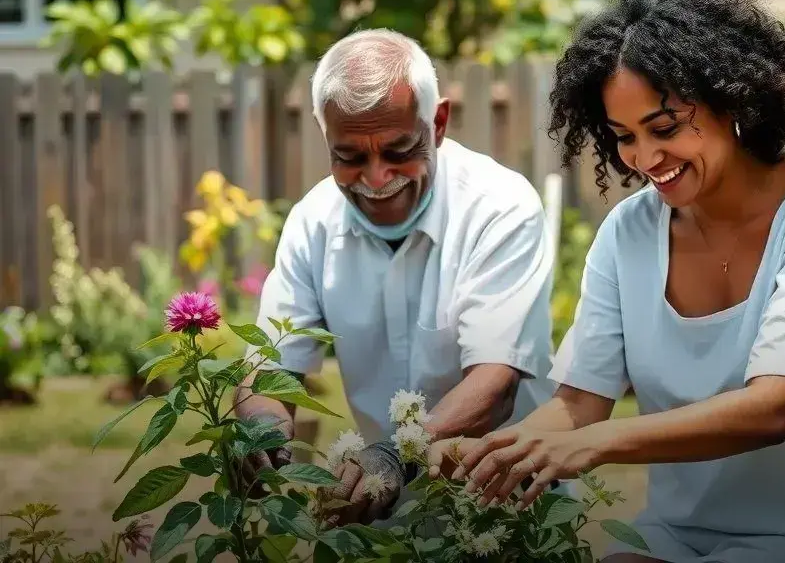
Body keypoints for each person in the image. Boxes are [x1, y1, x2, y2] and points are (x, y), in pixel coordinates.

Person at [427, 0, 785, 562]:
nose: (644, 158)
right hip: (684, 532)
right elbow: (579, 405)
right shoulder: (627, 233)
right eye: (624, 137)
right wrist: (499, 451)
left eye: (664, 128)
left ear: (731, 101)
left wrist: (593, 446)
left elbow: (772, 407)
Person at [232, 28, 558, 528]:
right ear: (325, 138)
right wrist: (261, 433)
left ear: (439, 124)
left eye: (399, 149)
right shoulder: (312, 222)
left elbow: (495, 388)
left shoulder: (500, 207)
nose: (378, 178)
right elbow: (271, 371)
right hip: (382, 518)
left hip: (509, 511)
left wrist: (392, 454)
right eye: (350, 157)